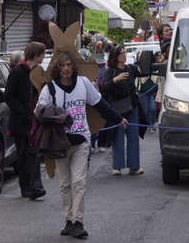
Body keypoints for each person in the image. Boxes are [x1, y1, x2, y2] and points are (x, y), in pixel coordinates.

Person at [35, 51, 127, 239]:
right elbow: (39, 112)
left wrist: (119, 119)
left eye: (69, 65)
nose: (66, 69)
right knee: (64, 184)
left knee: (79, 182)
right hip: (59, 144)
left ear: (74, 66)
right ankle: (68, 220)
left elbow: (100, 105)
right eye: (62, 66)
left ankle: (78, 221)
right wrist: (56, 116)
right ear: (58, 68)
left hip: (81, 141)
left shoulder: (84, 84)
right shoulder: (49, 89)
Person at [3, 42, 46, 200]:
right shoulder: (18, 71)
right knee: (23, 155)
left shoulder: (36, 71)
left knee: (33, 154)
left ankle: (35, 186)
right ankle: (27, 188)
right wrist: (23, 111)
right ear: (36, 55)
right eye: (42, 54)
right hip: (21, 123)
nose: (43, 57)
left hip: (34, 121)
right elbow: (9, 96)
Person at [101, 45, 150, 175]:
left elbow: (144, 71)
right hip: (117, 109)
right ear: (115, 56)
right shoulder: (110, 71)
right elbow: (103, 87)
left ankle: (134, 166)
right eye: (121, 53)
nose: (124, 55)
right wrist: (114, 80)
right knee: (118, 137)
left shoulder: (131, 68)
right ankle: (117, 166)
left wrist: (148, 60)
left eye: (124, 53)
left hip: (132, 106)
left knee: (133, 136)